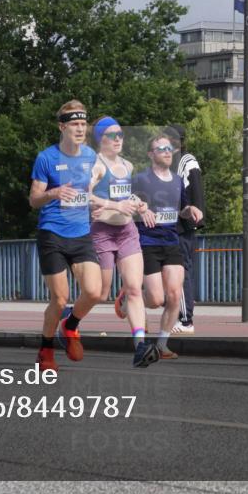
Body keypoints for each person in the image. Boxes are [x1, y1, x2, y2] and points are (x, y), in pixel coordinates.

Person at [29, 101, 104, 372]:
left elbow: (92, 191)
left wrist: (100, 204)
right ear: (62, 127)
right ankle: (46, 350)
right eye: (74, 124)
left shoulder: (91, 157)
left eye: (83, 124)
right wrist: (53, 193)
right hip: (53, 233)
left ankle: (70, 325)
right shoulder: (46, 158)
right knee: (59, 299)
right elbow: (34, 200)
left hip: (81, 233)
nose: (80, 128)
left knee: (95, 292)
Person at [89, 116, 159, 368]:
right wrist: (112, 205)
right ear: (100, 139)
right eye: (111, 135)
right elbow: (82, 194)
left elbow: (124, 195)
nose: (118, 139)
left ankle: (140, 346)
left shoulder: (127, 166)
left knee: (134, 288)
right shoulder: (95, 166)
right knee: (99, 293)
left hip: (127, 231)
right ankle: (69, 319)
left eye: (120, 134)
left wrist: (139, 205)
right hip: (102, 233)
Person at [133, 134, 204, 361]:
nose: (166, 151)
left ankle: (162, 344)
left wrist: (189, 210)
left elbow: (181, 208)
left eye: (169, 148)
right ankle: (130, 300)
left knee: (174, 295)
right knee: (155, 300)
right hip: (148, 242)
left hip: (171, 241)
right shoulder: (141, 179)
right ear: (150, 154)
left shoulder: (176, 180)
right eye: (160, 148)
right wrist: (141, 210)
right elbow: (125, 200)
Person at [165, 125, 205, 335]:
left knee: (180, 271)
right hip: (175, 226)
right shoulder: (173, 162)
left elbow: (194, 190)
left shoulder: (186, 161)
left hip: (181, 227)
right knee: (171, 271)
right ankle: (179, 315)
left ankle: (185, 319)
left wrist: (195, 217)